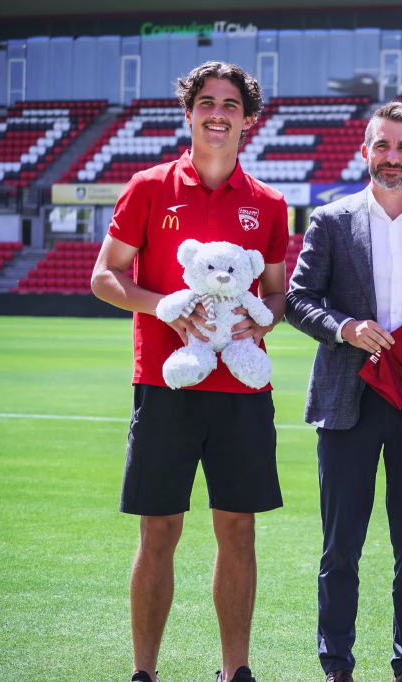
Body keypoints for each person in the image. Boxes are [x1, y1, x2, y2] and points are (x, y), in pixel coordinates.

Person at [90, 62, 288, 682]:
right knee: (159, 532)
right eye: (207, 102)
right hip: (165, 383)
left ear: (247, 121)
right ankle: (144, 672)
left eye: (230, 105)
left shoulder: (269, 203)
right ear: (189, 112)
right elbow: (104, 277)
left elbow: (277, 293)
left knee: (239, 531)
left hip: (242, 391)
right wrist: (164, 309)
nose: (217, 114)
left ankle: (236, 671)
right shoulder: (148, 186)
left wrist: (262, 319)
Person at [284, 102, 402, 682]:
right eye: (382, 145)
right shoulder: (331, 220)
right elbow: (297, 300)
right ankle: (336, 665)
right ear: (365, 151)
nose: (392, 157)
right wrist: (345, 327)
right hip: (348, 401)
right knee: (341, 549)